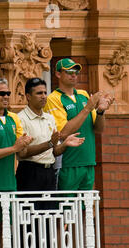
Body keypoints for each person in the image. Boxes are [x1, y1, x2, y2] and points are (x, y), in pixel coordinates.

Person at [44, 58, 113, 191]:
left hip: (88, 161)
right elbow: (63, 133)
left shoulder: (83, 95)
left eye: (76, 71)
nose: (74, 74)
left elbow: (98, 129)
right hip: (67, 163)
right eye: (69, 71)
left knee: (85, 208)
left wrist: (100, 111)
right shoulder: (53, 98)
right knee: (67, 207)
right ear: (58, 74)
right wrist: (87, 108)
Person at [17, 77, 85, 196]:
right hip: (30, 172)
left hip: (49, 172)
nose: (43, 96)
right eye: (39, 93)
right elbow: (22, 153)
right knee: (30, 213)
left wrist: (65, 144)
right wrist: (49, 143)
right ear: (28, 96)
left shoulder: (49, 118)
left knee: (50, 213)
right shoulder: (20, 119)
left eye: (45, 93)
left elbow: (55, 151)